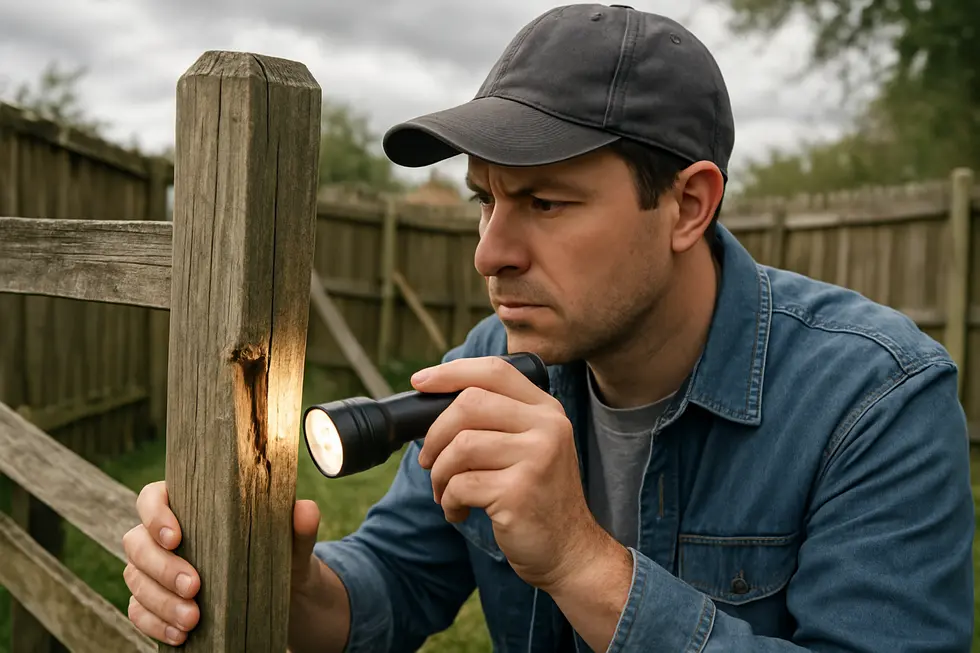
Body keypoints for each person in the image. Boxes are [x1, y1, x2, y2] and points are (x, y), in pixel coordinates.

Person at [121, 4, 975, 652]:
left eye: (544, 202)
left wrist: (579, 560)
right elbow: (394, 577)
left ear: (687, 204)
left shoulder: (877, 398)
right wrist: (284, 582)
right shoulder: (491, 363)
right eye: (485, 200)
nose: (492, 252)